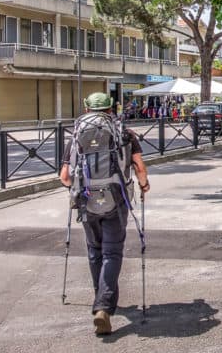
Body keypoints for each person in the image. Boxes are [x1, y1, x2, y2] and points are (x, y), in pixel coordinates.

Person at [59, 92, 150, 336]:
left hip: (87, 202)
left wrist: (80, 188)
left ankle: (100, 298)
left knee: (94, 250)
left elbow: (65, 177)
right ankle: (103, 306)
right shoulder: (124, 133)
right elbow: (140, 167)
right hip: (116, 200)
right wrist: (144, 185)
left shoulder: (77, 134)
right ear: (111, 109)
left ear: (87, 109)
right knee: (112, 252)